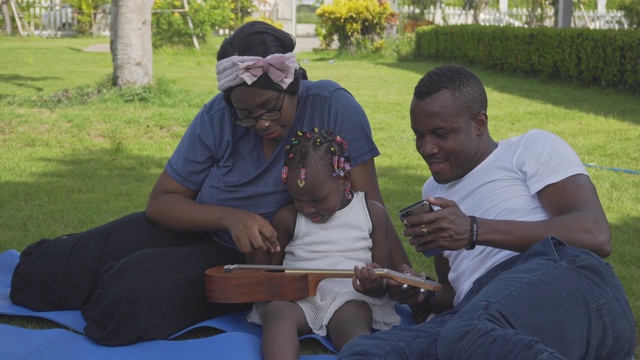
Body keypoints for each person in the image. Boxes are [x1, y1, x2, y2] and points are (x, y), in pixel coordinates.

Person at [9, 21, 409, 346]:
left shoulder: (333, 106)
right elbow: (162, 202)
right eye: (246, 116)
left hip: (241, 261)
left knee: (128, 298)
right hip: (201, 225)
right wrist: (231, 217)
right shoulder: (217, 116)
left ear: (294, 85)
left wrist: (392, 272)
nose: (262, 125)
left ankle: (112, 278)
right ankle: (93, 272)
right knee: (39, 276)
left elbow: (369, 208)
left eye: (271, 108)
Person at [338, 64, 636, 359]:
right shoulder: (433, 193)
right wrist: (417, 292)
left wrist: (473, 230)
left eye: (440, 133)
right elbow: (455, 295)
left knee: (469, 333)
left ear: (479, 123)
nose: (426, 147)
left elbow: (595, 234)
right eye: (419, 135)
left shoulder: (529, 148)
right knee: (364, 352)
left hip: (563, 277)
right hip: (480, 312)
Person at [246, 129, 401, 360]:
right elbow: (271, 275)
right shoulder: (287, 218)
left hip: (350, 298)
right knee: (276, 312)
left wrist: (373, 284)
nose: (307, 209)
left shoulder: (370, 213)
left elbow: (383, 280)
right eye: (298, 199)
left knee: (353, 324)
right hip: (299, 300)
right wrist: (254, 249)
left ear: (344, 180)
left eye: (317, 199)